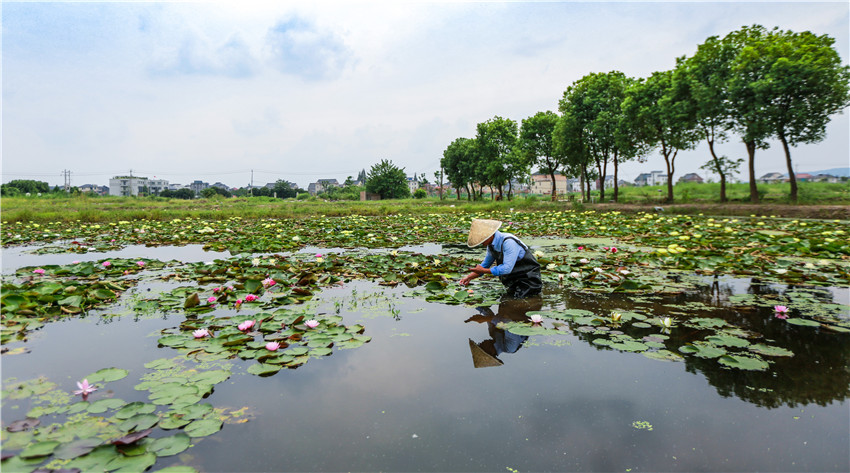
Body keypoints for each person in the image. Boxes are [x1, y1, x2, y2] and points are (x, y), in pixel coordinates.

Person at [459, 218, 542, 299]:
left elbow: (506, 269)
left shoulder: (509, 242)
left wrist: (483, 271)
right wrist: (469, 277)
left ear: (490, 235)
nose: (481, 243)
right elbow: (485, 265)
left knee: (520, 305)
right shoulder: (491, 246)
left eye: (482, 240)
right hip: (513, 281)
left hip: (528, 280)